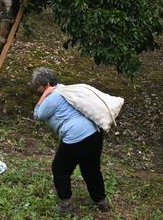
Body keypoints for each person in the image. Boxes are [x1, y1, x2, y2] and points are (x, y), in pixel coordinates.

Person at [31, 67, 111, 214]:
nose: (38, 91)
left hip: (76, 137)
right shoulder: (66, 90)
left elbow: (38, 115)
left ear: (47, 84)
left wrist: (44, 97)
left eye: (39, 87)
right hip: (94, 133)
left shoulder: (53, 97)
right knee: (91, 168)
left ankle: (66, 206)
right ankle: (101, 202)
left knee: (60, 169)